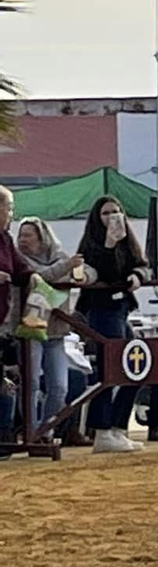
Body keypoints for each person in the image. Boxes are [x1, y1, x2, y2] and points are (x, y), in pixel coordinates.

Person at [76, 195, 151, 453]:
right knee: (110, 369)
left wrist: (137, 276)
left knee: (137, 365)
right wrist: (109, 244)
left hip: (121, 308)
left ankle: (118, 427)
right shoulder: (92, 244)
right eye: (106, 213)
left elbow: (143, 264)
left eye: (115, 212)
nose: (111, 217)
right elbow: (101, 273)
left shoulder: (128, 241)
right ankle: (102, 430)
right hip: (101, 310)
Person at [12, 216, 83, 441]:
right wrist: (67, 267)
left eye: (28, 235)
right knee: (31, 383)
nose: (22, 240)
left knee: (60, 386)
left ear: (42, 239)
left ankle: (46, 429)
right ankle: (32, 431)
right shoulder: (19, 259)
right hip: (29, 329)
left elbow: (81, 270)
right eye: (20, 235)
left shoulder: (61, 257)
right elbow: (40, 277)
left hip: (56, 331)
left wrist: (83, 275)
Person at [0, 187, 36, 445]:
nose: (12, 214)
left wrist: (31, 275)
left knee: (5, 382)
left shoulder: (4, 239)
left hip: (1, 321)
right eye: (9, 208)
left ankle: (5, 439)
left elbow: (19, 266)